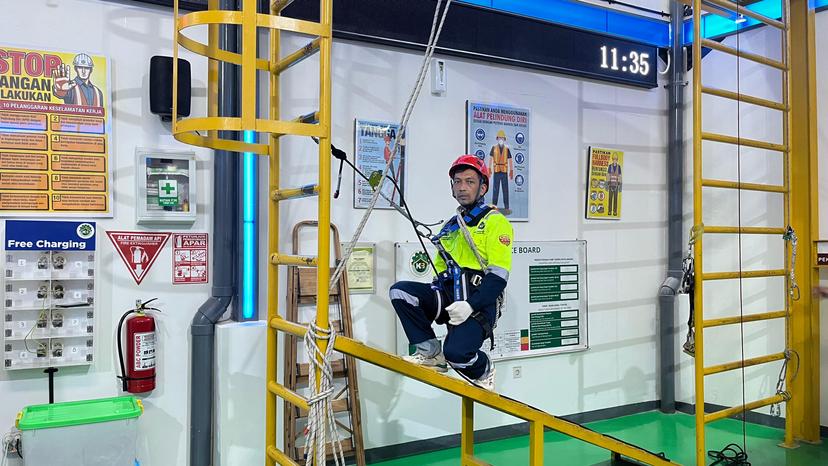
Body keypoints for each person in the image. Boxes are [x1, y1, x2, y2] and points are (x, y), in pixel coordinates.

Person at [390, 155, 514, 391]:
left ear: (483, 187)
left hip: (478, 303)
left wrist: (470, 305)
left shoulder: (496, 222)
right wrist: (434, 298)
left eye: (469, 181)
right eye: (457, 182)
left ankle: (484, 368)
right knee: (401, 293)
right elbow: (441, 269)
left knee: (456, 355)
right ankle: (430, 353)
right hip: (448, 295)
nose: (462, 188)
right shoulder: (451, 227)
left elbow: (498, 276)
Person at [488, 130, 514, 215]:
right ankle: (493, 208)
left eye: (502, 138)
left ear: (504, 139)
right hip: (496, 171)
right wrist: (489, 168)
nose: (501, 139)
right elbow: (491, 158)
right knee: (495, 190)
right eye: (499, 138)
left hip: (504, 171)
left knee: (505, 190)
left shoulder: (507, 149)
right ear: (497, 138)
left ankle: (506, 208)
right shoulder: (494, 148)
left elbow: (510, 160)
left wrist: (511, 170)